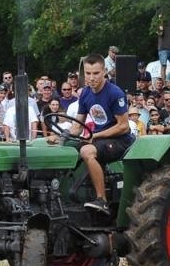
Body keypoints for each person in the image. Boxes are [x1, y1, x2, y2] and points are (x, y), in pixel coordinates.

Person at [55, 54, 132, 215]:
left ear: (104, 71)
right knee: (66, 146)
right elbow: (77, 127)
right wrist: (60, 136)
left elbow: (124, 127)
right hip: (98, 139)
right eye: (88, 73)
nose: (91, 78)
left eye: (96, 73)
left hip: (119, 141)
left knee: (86, 151)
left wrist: (96, 136)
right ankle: (63, 196)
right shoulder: (85, 94)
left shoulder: (114, 93)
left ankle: (101, 200)